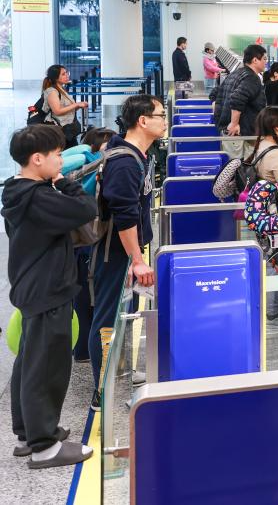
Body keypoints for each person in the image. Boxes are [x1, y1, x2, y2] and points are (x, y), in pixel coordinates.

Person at [2, 124, 97, 468]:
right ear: (37, 159)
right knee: (47, 367)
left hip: (32, 286)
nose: (61, 159)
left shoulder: (17, 191)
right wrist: (67, 183)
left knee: (30, 361)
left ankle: (28, 434)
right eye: (57, 154)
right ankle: (44, 446)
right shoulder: (40, 198)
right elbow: (86, 209)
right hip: (47, 289)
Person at [89, 94, 165, 410]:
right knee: (108, 318)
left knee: (123, 315)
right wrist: (137, 260)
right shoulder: (124, 162)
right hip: (115, 253)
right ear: (143, 121)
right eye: (161, 115)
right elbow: (124, 216)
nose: (165, 120)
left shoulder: (137, 155)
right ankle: (101, 391)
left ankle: (117, 375)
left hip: (126, 250)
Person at [62, 127, 116, 364]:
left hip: (76, 234)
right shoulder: (88, 158)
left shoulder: (79, 158)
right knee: (85, 295)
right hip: (85, 234)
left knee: (81, 294)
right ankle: (83, 348)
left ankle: (81, 347)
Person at [248, 107, 278, 325]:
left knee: (274, 261)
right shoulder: (277, 155)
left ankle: (269, 309)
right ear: (277, 127)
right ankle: (270, 311)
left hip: (265, 216)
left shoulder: (260, 146)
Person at [212, 44, 268, 157]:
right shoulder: (251, 78)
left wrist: (222, 119)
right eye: (264, 59)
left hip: (231, 132)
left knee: (233, 165)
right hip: (239, 134)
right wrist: (234, 123)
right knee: (239, 166)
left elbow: (214, 95)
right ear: (255, 60)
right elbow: (237, 99)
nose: (265, 62)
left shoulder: (235, 74)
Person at [41, 64, 86, 148]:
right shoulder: (52, 91)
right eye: (63, 74)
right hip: (60, 130)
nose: (67, 76)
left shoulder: (61, 89)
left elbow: (67, 110)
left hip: (68, 130)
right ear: (55, 78)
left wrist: (78, 106)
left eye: (67, 73)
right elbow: (57, 111)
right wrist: (76, 104)